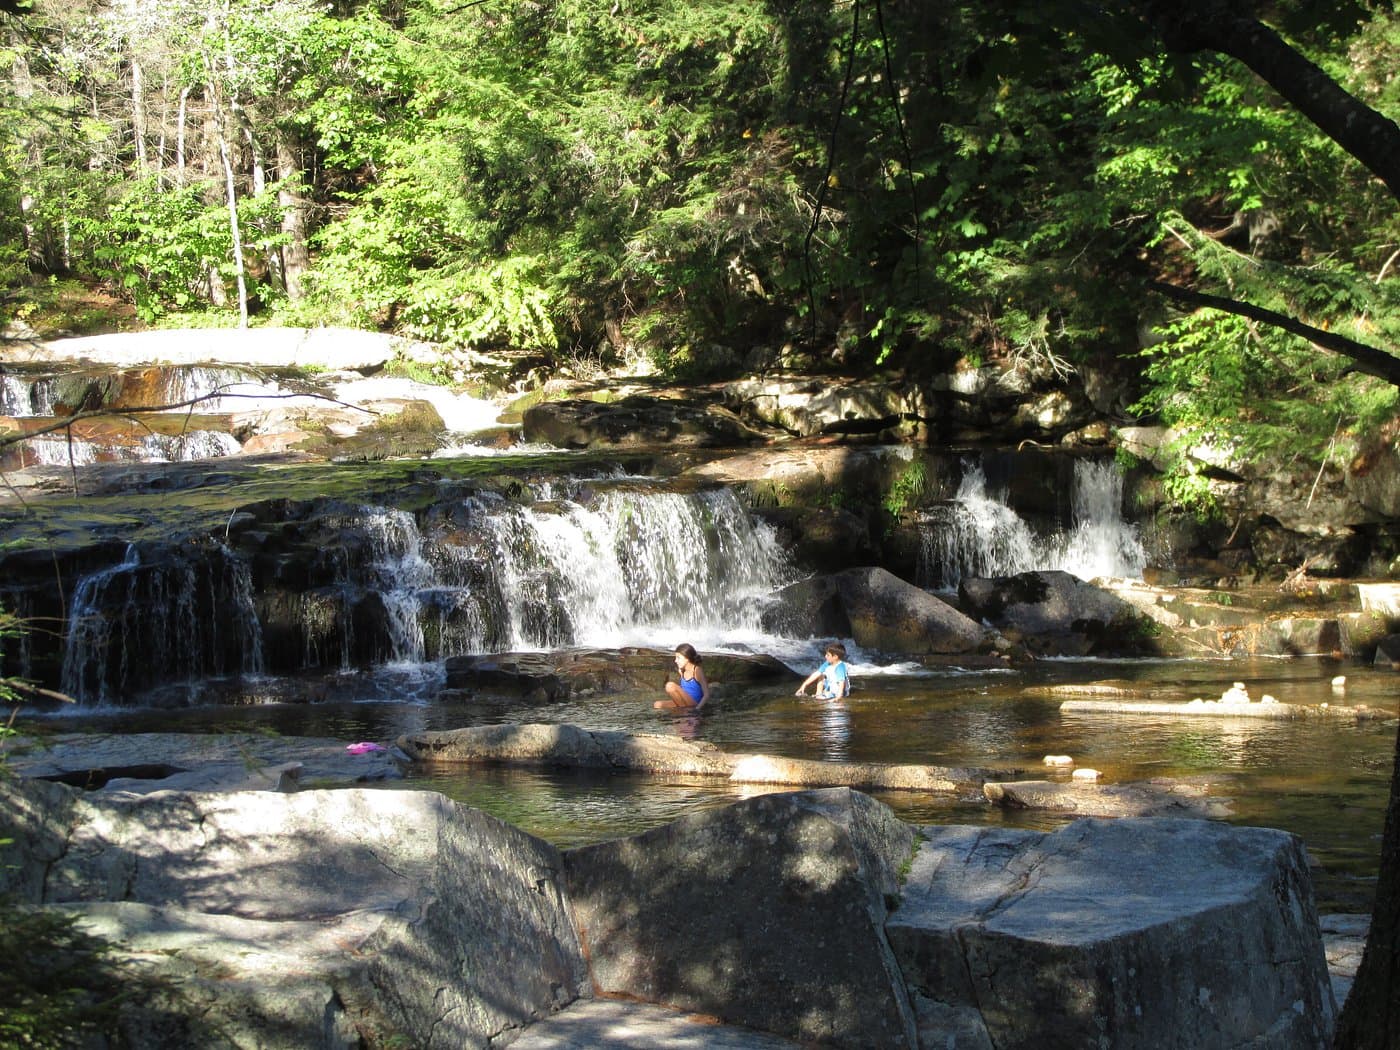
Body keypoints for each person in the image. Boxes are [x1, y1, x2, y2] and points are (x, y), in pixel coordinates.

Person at [655, 643, 710, 710]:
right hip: (684, 703)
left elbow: (707, 694)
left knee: (670, 686)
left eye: (678, 658)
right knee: (657, 704)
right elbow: (684, 689)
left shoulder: (697, 671)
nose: (675, 661)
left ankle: (684, 712)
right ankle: (683, 711)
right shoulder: (681, 670)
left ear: (687, 658)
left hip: (694, 704)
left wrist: (697, 709)